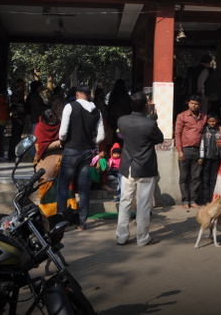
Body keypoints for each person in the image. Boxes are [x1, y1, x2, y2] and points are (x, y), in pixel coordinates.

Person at [115, 92, 164, 246]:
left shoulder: (122, 121)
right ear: (145, 106)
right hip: (144, 167)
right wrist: (152, 119)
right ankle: (142, 238)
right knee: (143, 203)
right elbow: (159, 138)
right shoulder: (149, 124)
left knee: (125, 201)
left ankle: (121, 236)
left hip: (127, 165)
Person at [57, 84, 105, 230]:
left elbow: (63, 132)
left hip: (71, 149)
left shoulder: (70, 107)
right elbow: (101, 136)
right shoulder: (97, 111)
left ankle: (61, 222)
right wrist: (91, 142)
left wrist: (62, 141)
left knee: (63, 186)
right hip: (87, 152)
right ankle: (82, 222)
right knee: (84, 187)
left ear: (77, 94)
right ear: (88, 94)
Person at [33, 109, 76, 218]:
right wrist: (58, 143)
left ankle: (68, 211)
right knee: (45, 174)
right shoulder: (39, 128)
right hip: (46, 156)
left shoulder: (61, 125)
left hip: (63, 153)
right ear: (44, 121)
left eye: (54, 121)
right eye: (50, 122)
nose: (53, 124)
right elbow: (39, 148)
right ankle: (48, 212)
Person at [174, 93, 207, 209]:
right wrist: (180, 151)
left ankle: (193, 200)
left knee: (196, 177)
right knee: (184, 177)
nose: (194, 105)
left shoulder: (204, 117)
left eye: (196, 104)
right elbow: (177, 134)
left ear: (200, 105)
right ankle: (185, 201)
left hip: (198, 151)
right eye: (192, 103)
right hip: (185, 150)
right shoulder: (181, 116)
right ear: (188, 103)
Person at [199, 113, 221, 205]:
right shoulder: (205, 130)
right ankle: (206, 200)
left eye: (213, 121)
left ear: (216, 121)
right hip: (206, 158)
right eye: (210, 121)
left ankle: (213, 198)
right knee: (205, 179)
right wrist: (201, 157)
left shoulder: (219, 130)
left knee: (214, 179)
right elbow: (202, 143)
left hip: (216, 158)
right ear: (207, 121)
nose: (212, 123)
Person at [9, 79, 27, 162]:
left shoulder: (21, 95)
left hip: (21, 118)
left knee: (17, 137)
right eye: (21, 85)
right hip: (17, 119)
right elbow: (13, 108)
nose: (23, 87)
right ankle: (12, 155)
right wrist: (17, 118)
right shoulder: (15, 95)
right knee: (15, 137)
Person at [0, 91, 9, 161]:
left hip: (2, 119)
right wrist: (7, 105)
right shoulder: (0, 98)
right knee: (0, 138)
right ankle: (0, 154)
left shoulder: (0, 97)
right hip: (0, 119)